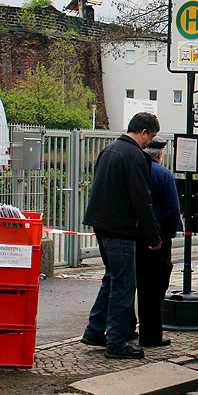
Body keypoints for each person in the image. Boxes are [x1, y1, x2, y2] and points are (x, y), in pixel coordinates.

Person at [81, 112, 162, 359]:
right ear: (144, 132)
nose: (150, 143)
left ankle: (94, 331)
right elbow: (142, 200)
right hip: (121, 228)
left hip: (101, 223)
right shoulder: (135, 156)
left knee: (111, 278)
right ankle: (116, 342)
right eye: (152, 137)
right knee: (124, 284)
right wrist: (153, 236)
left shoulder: (109, 151)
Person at [135, 138, 181, 347]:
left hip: (132, 236)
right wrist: (169, 234)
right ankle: (151, 334)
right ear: (160, 155)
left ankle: (127, 328)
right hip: (158, 238)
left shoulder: (133, 172)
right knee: (153, 289)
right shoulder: (164, 175)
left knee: (128, 285)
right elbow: (172, 210)